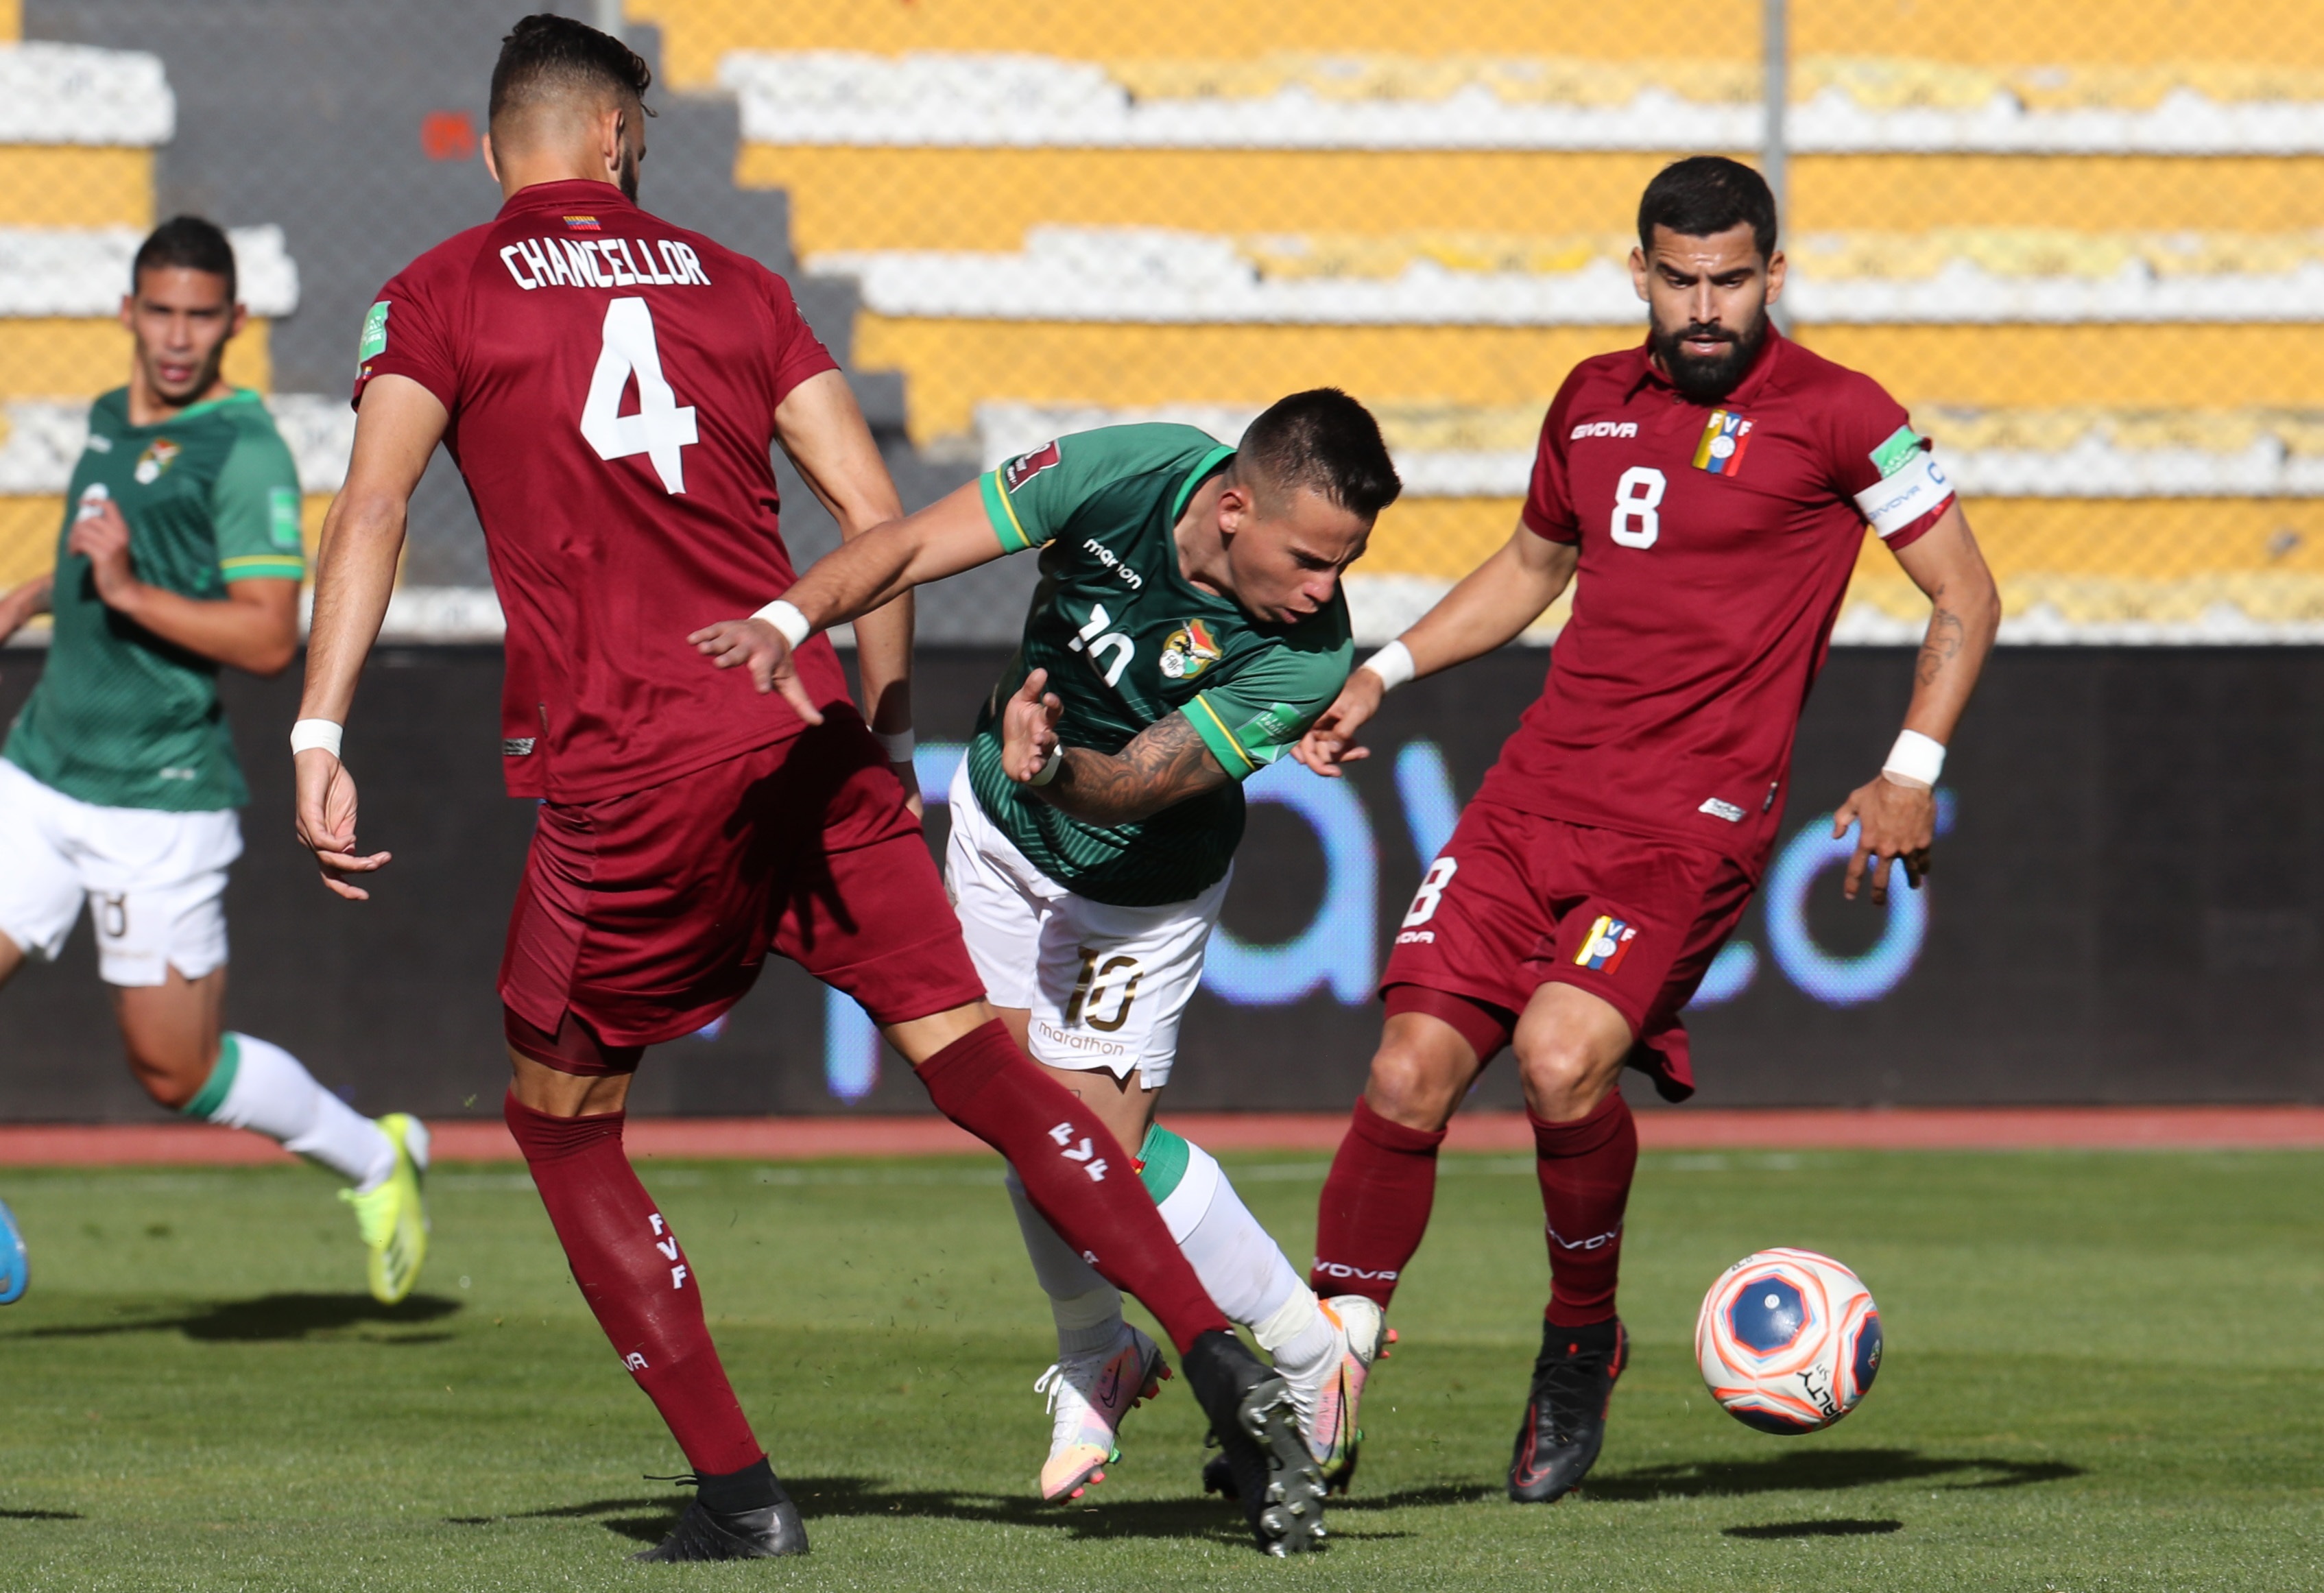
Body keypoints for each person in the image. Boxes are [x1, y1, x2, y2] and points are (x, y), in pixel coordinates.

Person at [293, 15, 1324, 1561]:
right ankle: (1221, 1354)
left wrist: (319, 727)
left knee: (565, 1124)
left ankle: (741, 1494)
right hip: (807, 736)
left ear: (503, 136)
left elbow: (374, 500)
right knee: (979, 1060)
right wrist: (883, 746)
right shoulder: (743, 285)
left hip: (632, 766)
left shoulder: (434, 295)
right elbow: (871, 519)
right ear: (622, 138)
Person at [1291, 156, 2000, 1503]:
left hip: (1690, 829)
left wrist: (1911, 767)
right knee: (1403, 1076)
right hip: (1531, 801)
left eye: (1733, 278)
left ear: (1773, 277)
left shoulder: (1847, 418)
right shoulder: (1590, 400)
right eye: (1679, 279)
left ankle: (1579, 1340)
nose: (1706, 305)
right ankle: (1331, 1368)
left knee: (1561, 1058)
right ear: (1641, 276)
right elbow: (1529, 569)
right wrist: (1380, 670)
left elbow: (1966, 589)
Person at [723, 392, 1400, 1502]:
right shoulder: (1127, 469)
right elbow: (907, 545)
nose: (1327, 592)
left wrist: (1055, 766)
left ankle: (1310, 1348)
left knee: (1096, 1156)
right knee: (1020, 1125)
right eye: (1311, 559)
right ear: (1232, 506)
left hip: (1137, 890)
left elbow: (1137, 788)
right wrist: (787, 621)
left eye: (1347, 562)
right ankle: (1101, 1353)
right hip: (996, 831)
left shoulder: (1309, 657)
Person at [0, 216, 430, 1308]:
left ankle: (375, 1160)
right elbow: (101, 558)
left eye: (203, 316)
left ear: (235, 322)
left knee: (174, 1073)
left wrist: (129, 592)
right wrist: (32, 596)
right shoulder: (107, 417)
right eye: (163, 312)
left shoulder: (243, 450)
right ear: (128, 314)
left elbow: (266, 636)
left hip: (159, 802)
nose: (180, 337)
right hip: (43, 768)